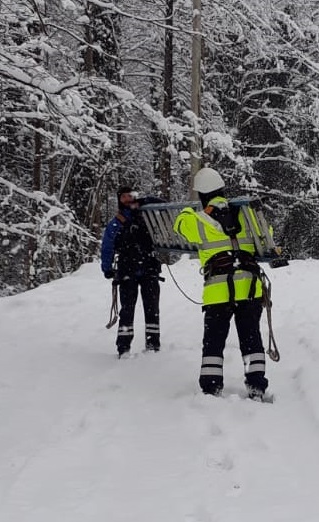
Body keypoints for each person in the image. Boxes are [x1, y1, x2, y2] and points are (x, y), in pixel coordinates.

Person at [173, 168, 269, 398]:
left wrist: (195, 210)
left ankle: (211, 385)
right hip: (249, 288)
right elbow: (266, 235)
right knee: (251, 338)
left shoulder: (197, 221)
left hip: (217, 292)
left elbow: (179, 224)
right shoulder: (246, 216)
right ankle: (256, 384)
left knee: (214, 343)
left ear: (201, 195)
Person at [100, 186, 164, 357]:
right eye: (124, 197)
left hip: (149, 268)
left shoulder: (146, 214)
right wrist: (107, 268)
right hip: (127, 270)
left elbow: (164, 204)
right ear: (119, 200)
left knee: (152, 309)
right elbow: (107, 247)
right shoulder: (116, 222)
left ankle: (153, 345)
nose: (128, 199)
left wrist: (144, 201)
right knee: (127, 311)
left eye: (131, 196)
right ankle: (124, 348)